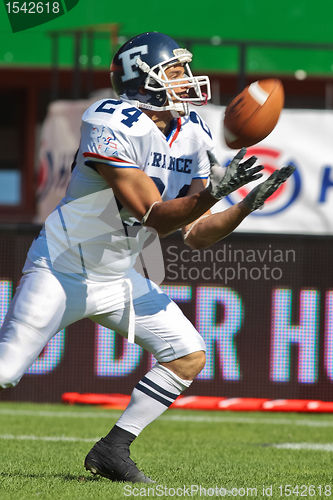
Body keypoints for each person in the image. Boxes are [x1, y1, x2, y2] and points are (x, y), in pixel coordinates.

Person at [0, 32, 294, 483]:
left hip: (117, 276)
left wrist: (245, 204)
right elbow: (154, 215)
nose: (187, 80)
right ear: (143, 76)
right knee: (5, 372)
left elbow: (196, 234)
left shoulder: (192, 130)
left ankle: (113, 450)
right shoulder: (111, 119)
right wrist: (215, 190)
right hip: (61, 268)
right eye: (175, 71)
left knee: (188, 353)